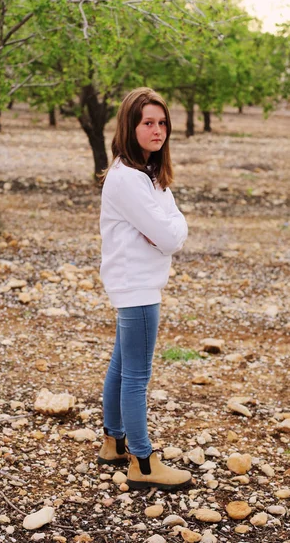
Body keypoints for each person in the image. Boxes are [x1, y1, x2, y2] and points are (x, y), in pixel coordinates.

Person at [97, 87, 192, 491]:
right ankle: (142, 462)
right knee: (136, 376)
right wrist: (169, 228)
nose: (158, 130)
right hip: (137, 289)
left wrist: (170, 226)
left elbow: (173, 226)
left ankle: (113, 441)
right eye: (147, 123)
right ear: (130, 127)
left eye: (162, 122)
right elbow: (171, 237)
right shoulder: (129, 180)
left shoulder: (146, 175)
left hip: (137, 285)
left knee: (121, 366)